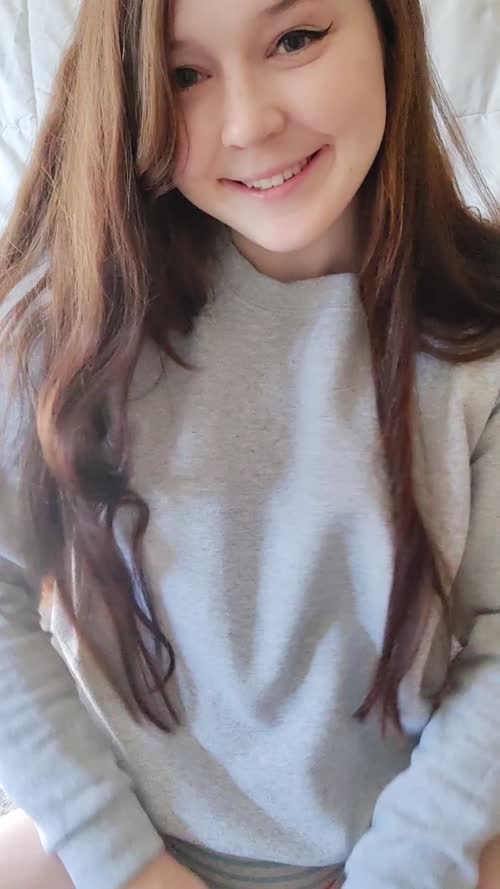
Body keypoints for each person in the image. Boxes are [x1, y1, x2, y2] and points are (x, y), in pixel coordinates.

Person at [1, 0, 500, 887]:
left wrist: (411, 864)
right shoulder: (74, 318)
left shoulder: (479, 338)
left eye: (295, 40)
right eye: (184, 75)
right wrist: (121, 859)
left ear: (389, 29)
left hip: (414, 846)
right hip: (125, 848)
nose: (248, 124)